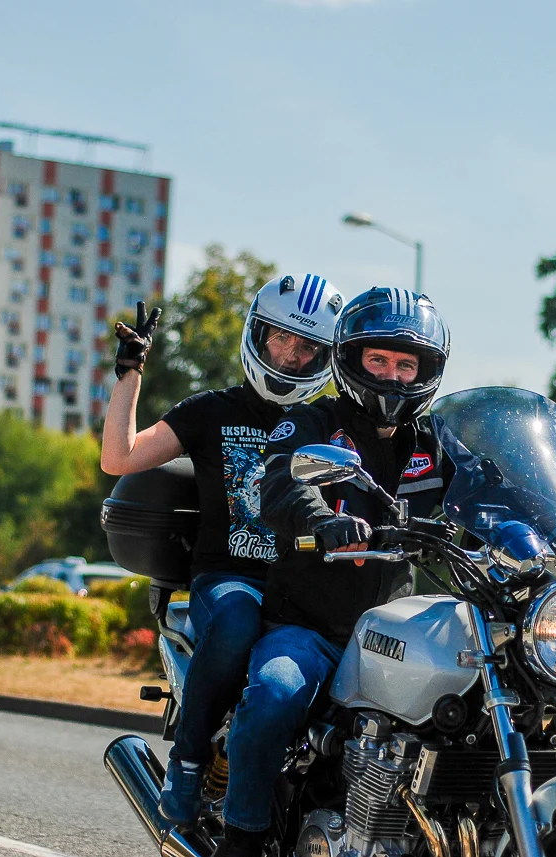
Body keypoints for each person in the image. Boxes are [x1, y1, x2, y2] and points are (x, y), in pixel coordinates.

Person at [209, 288, 556, 857]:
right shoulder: (311, 420)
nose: (392, 376)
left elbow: (496, 495)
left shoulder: (434, 441)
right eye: (379, 360)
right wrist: (324, 520)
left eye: (406, 364)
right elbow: (281, 484)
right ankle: (242, 840)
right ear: (351, 361)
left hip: (388, 623)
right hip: (311, 628)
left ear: (426, 372)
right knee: (274, 695)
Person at [100, 273, 344, 825]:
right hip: (230, 580)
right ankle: (187, 763)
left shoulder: (330, 422)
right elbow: (119, 458)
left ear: (326, 357)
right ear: (256, 335)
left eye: (306, 347)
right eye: (279, 338)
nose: (289, 354)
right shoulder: (211, 410)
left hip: (304, 589)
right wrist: (131, 372)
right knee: (237, 618)